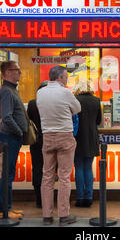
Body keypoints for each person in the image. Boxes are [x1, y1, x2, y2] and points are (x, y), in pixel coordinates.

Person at [37, 65, 81, 226]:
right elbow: (77, 109)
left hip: (47, 136)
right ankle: (64, 215)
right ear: (60, 78)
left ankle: (47, 217)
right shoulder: (65, 92)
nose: (67, 80)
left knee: (47, 177)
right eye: (66, 77)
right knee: (64, 177)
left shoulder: (40, 92)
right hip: (65, 136)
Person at [0, 60, 27, 220]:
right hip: (10, 137)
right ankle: (3, 209)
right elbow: (6, 117)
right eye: (17, 70)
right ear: (7, 72)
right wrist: (19, 132)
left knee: (9, 173)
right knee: (7, 174)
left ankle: (7, 207)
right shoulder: (7, 92)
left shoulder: (11, 90)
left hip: (12, 137)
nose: (19, 73)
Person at [73, 82, 102, 208]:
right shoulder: (96, 101)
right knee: (88, 168)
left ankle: (80, 198)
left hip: (77, 137)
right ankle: (89, 197)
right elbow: (99, 121)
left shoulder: (74, 100)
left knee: (78, 167)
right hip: (91, 137)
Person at [27, 80, 48, 208]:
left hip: (36, 141)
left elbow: (28, 120)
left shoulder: (32, 103)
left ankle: (39, 199)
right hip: (51, 139)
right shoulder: (53, 103)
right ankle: (48, 198)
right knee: (49, 170)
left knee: (37, 168)